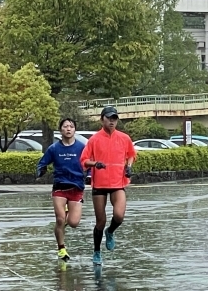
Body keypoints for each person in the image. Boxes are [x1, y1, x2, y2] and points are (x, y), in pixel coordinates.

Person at [80, 106, 136, 265]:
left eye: (114, 118)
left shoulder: (124, 138)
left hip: (118, 182)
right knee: (100, 221)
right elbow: (84, 160)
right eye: (109, 118)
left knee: (119, 215)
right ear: (102, 119)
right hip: (100, 184)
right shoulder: (94, 139)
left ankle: (110, 232)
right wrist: (95, 163)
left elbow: (131, 155)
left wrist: (129, 167)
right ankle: (97, 251)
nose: (112, 121)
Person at [36, 117, 86, 262]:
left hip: (77, 187)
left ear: (75, 130)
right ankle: (61, 249)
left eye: (71, 126)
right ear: (60, 130)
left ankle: (66, 216)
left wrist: (89, 175)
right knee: (59, 219)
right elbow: (42, 163)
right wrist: (41, 170)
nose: (68, 129)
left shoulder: (81, 147)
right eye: (65, 126)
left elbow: (88, 163)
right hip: (60, 187)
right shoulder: (54, 149)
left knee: (73, 223)